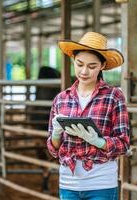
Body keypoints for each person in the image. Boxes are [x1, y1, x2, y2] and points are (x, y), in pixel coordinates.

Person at [46, 32, 130, 200]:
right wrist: (56, 134)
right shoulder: (61, 99)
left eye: (92, 66)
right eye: (79, 64)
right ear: (73, 61)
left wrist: (98, 141)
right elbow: (53, 149)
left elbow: (124, 143)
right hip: (68, 183)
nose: (84, 71)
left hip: (101, 183)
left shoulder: (114, 96)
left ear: (102, 66)